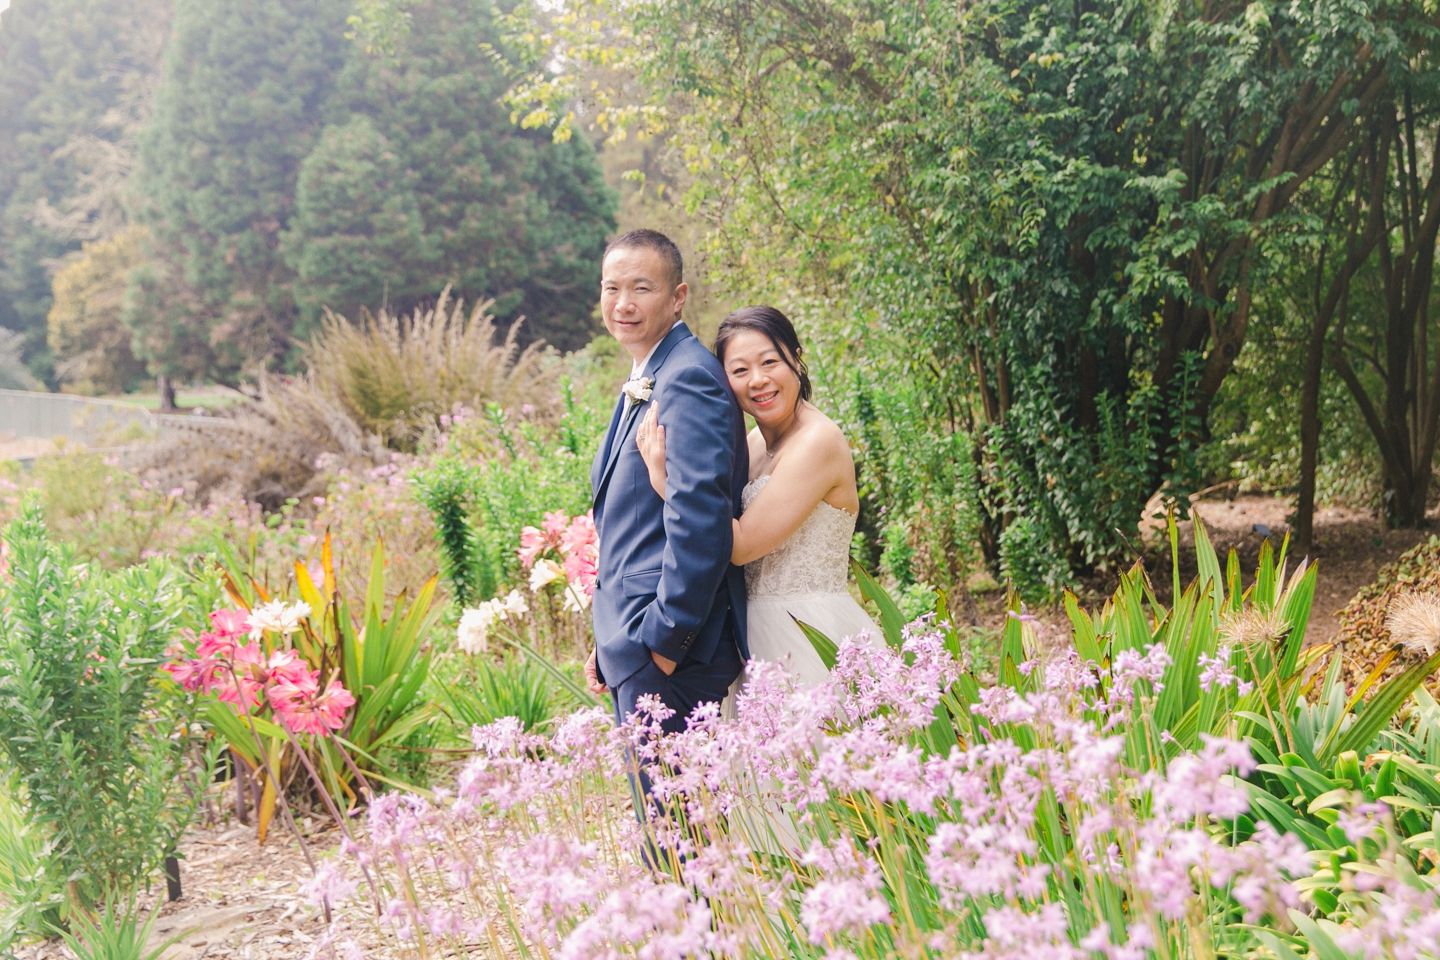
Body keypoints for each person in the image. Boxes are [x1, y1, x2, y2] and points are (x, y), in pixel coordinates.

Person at [636, 305, 880, 690]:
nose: (758, 380)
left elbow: (741, 545)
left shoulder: (818, 441)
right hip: (752, 640)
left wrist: (664, 480)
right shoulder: (752, 444)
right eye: (739, 371)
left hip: (809, 634)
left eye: (770, 362)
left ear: (797, 360)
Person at [582, 230, 750, 737]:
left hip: (673, 654)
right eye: (612, 289)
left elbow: (700, 519)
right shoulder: (651, 371)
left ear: (678, 297)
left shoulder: (688, 377)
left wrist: (661, 642)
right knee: (664, 815)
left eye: (641, 288)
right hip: (631, 639)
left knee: (675, 816)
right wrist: (609, 634)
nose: (623, 304)